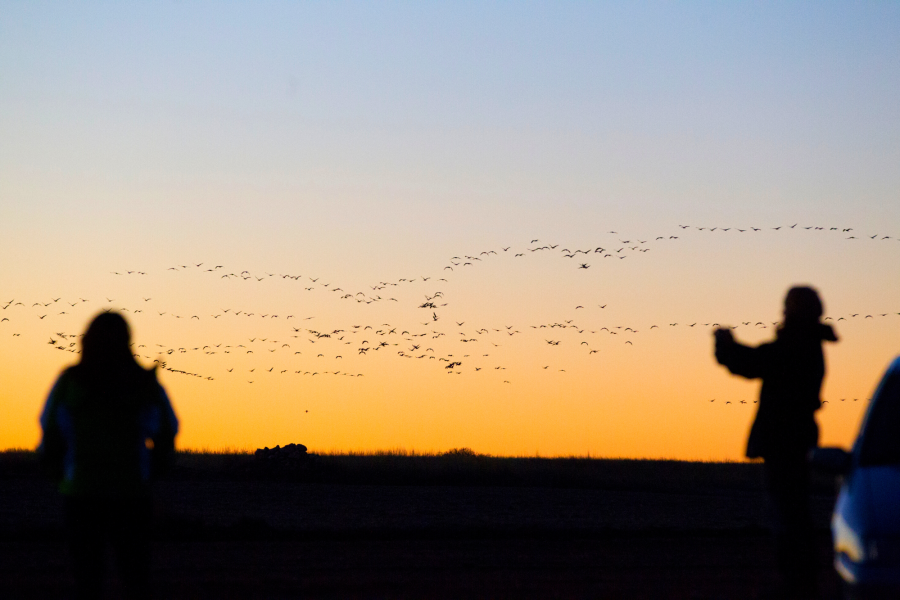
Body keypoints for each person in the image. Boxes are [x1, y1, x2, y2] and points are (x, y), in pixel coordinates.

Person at [39, 312, 178, 600]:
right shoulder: (144, 384)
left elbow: (50, 431)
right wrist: (154, 472)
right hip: (131, 494)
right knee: (135, 578)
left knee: (87, 581)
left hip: (81, 494)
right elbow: (167, 430)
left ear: (86, 340)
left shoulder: (70, 383)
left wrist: (58, 476)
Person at [714, 286, 837, 599]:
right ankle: (800, 583)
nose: (782, 312)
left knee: (788, 515)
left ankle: (798, 586)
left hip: (786, 442)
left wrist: (726, 348)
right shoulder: (808, 345)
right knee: (793, 513)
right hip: (794, 440)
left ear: (796, 311)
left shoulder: (797, 345)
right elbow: (761, 361)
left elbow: (755, 362)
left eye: (788, 307)